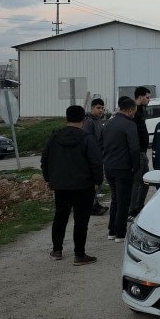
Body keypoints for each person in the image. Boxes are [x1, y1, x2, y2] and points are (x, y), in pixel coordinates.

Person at [41, 105, 103, 265]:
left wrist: (49, 179)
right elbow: (96, 162)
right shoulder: (87, 138)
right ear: (83, 119)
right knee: (81, 220)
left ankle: (57, 250)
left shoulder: (55, 137)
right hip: (83, 186)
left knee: (60, 217)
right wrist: (98, 181)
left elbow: (45, 159)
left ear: (66, 118)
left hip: (60, 185)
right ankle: (79, 255)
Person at [101, 96, 142, 242]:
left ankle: (112, 231)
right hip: (123, 167)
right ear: (130, 110)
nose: (135, 114)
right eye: (134, 111)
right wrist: (135, 166)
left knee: (115, 199)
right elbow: (134, 148)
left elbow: (101, 144)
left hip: (109, 166)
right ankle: (120, 233)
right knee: (123, 200)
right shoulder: (129, 125)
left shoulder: (108, 123)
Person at [129, 86, 152, 218]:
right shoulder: (134, 112)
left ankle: (139, 206)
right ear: (140, 97)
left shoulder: (141, 110)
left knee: (145, 181)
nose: (149, 100)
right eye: (147, 97)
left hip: (142, 152)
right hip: (137, 152)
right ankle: (132, 210)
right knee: (137, 182)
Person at [83, 98, 108, 215]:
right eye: (98, 108)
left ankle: (95, 203)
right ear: (92, 108)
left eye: (102, 108)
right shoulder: (89, 121)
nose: (101, 110)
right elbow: (88, 140)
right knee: (93, 182)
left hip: (99, 155)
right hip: (92, 157)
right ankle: (91, 206)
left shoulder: (98, 121)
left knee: (98, 182)